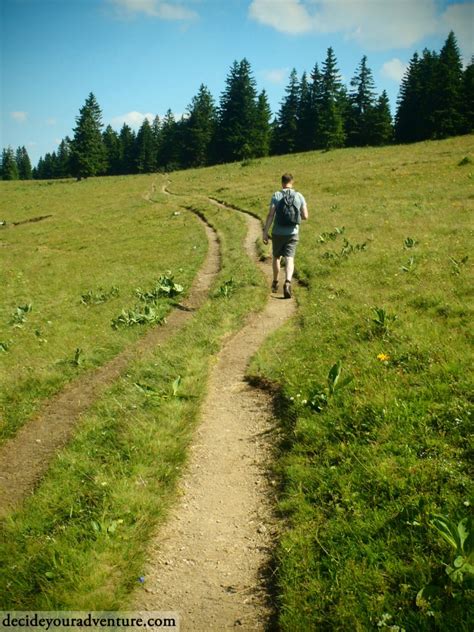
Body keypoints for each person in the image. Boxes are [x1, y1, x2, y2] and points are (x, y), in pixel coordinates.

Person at [262, 173, 308, 298]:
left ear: (282, 182)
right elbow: (305, 216)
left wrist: (265, 232)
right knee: (290, 258)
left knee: (276, 257)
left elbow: (271, 215)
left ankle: (275, 282)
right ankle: (287, 282)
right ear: (292, 182)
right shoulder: (299, 196)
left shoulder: (276, 195)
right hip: (292, 233)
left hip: (277, 233)